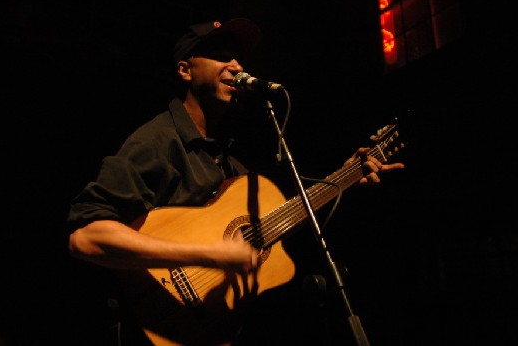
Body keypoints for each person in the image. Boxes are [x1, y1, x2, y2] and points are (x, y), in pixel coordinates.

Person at [66, 17, 404, 345]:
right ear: (185, 70)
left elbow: (272, 229)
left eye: (238, 57)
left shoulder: (231, 162)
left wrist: (345, 179)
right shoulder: (156, 143)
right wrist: (210, 255)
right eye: (220, 55)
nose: (236, 65)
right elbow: (86, 237)